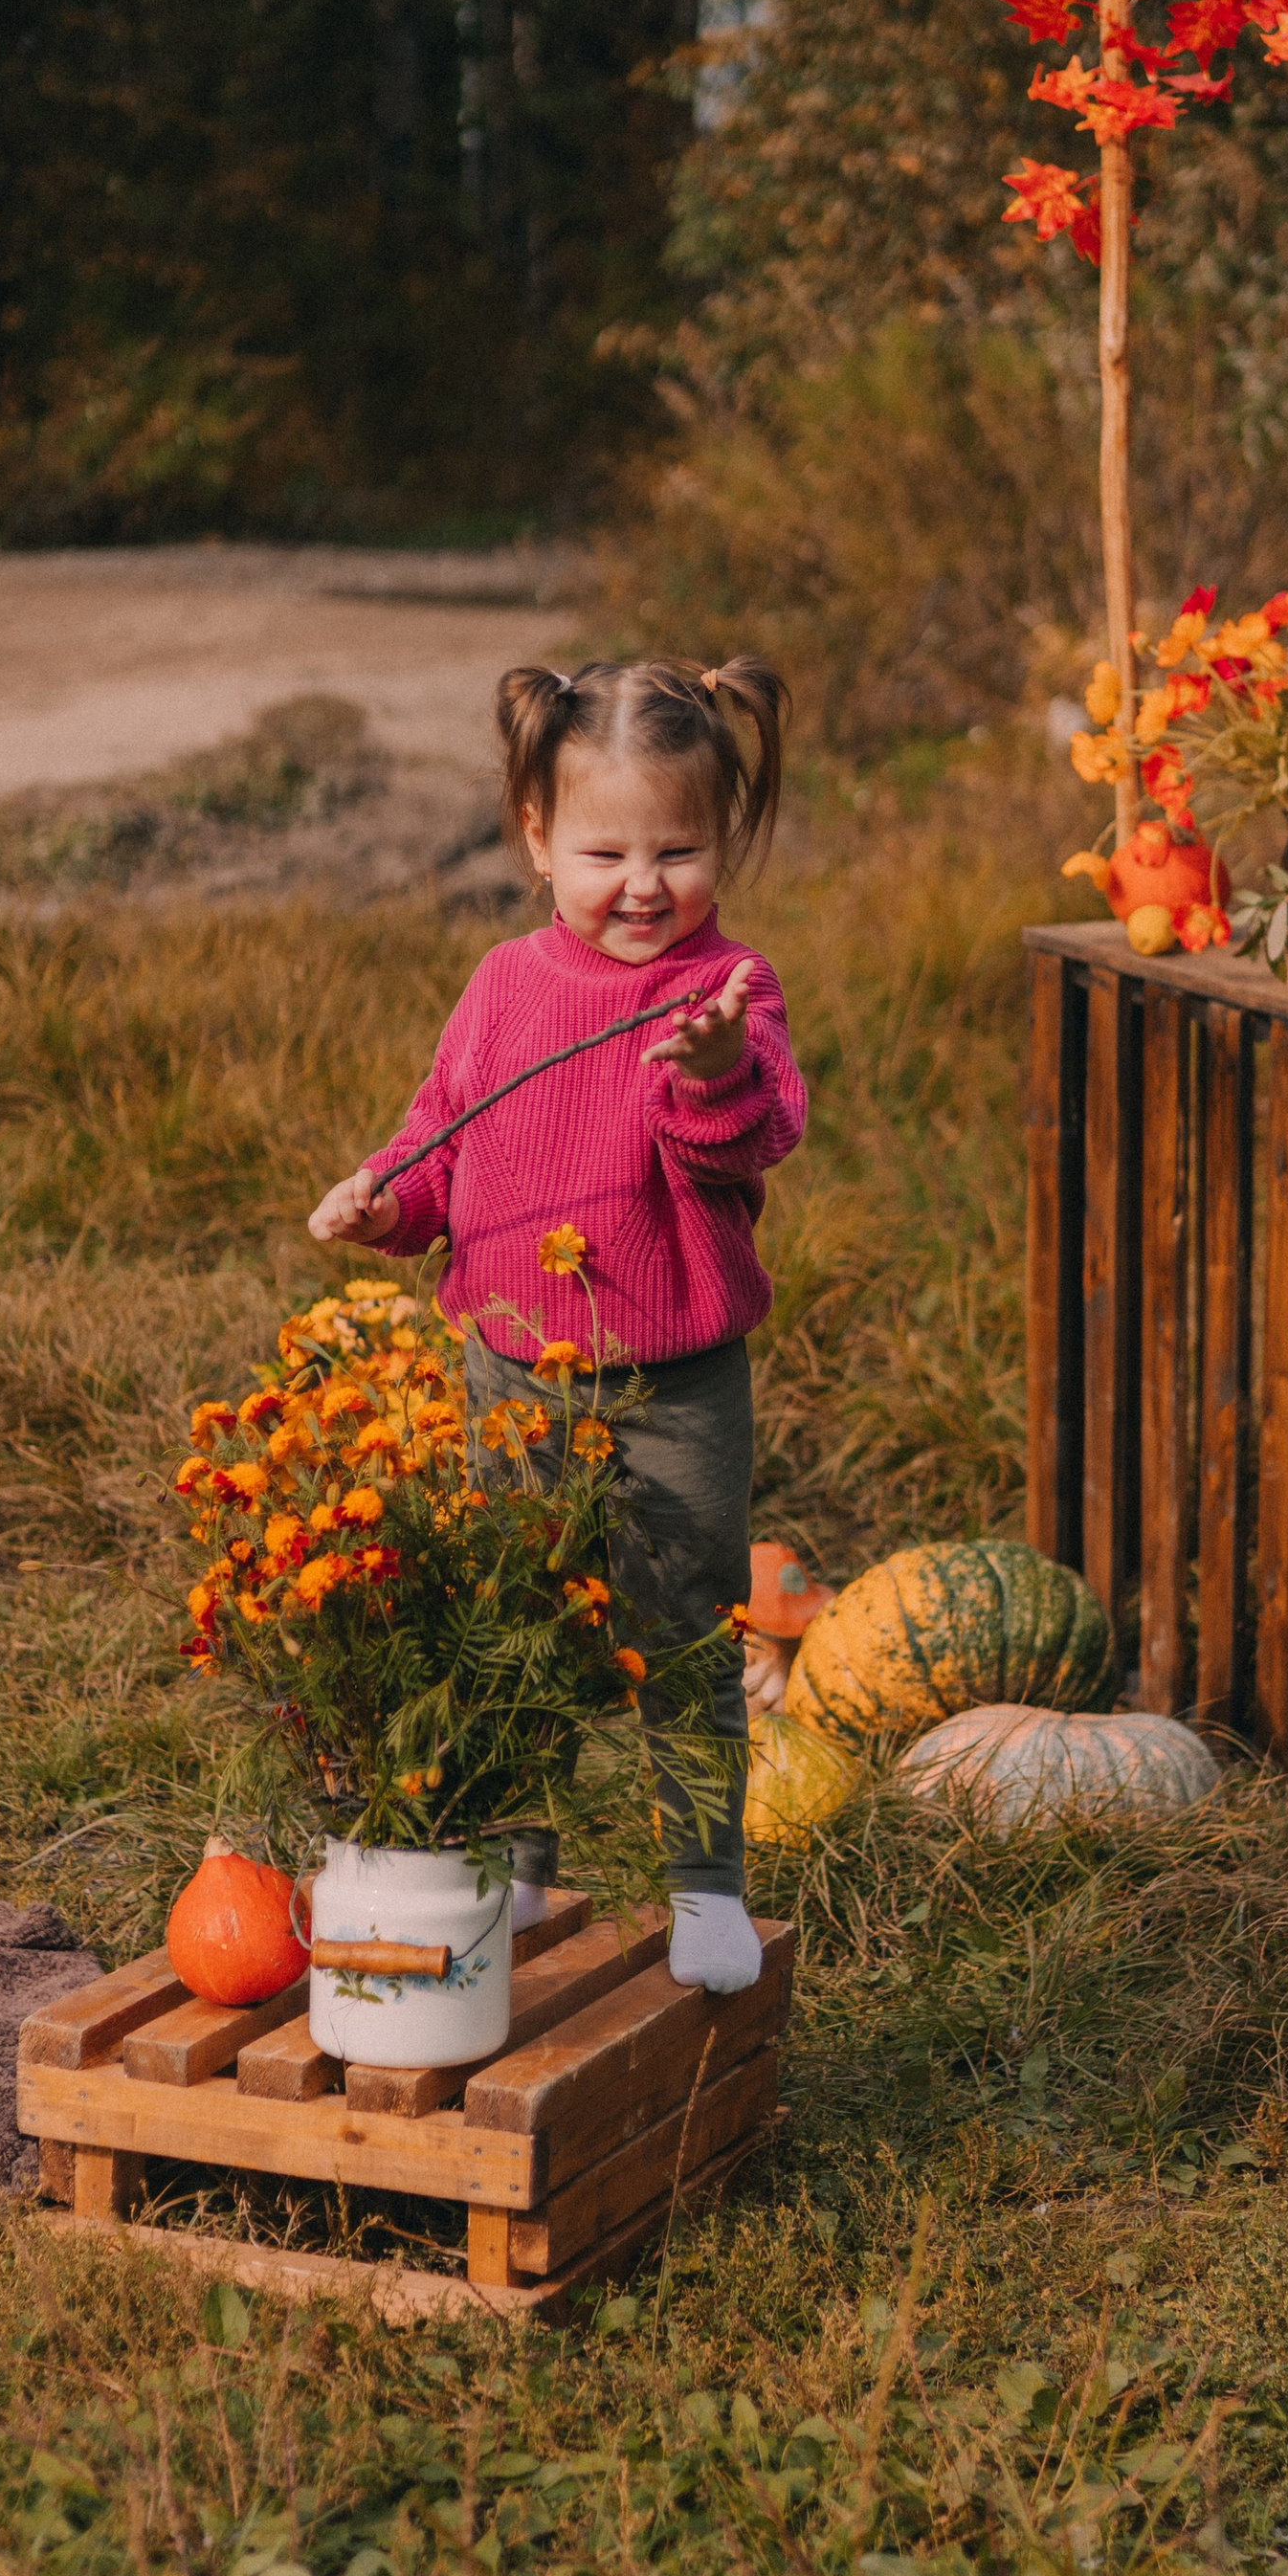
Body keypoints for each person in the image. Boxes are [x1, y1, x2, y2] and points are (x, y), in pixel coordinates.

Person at [307, 655, 803, 1993]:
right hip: (514, 1370)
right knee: (509, 1619)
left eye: (680, 850)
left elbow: (758, 1134)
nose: (643, 885)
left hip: (676, 1380)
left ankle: (705, 1887)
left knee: (682, 1625)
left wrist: (712, 1077)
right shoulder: (504, 985)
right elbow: (443, 1142)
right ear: (536, 841)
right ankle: (513, 1868)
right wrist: (386, 1203)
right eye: (605, 850)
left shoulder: (726, 997)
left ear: (724, 842)